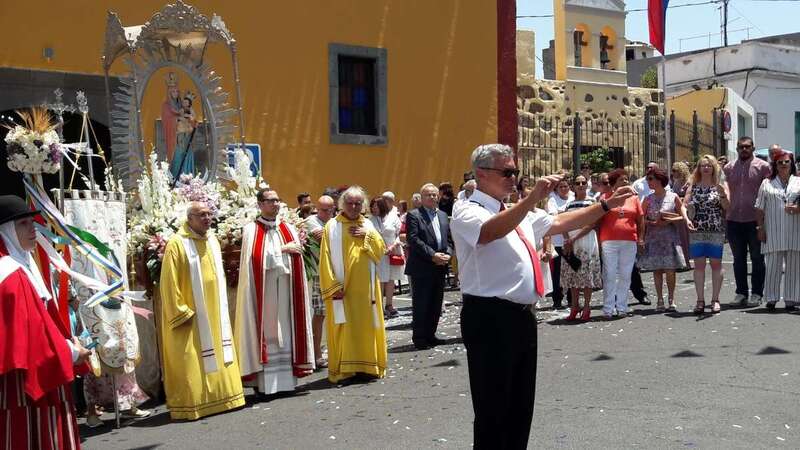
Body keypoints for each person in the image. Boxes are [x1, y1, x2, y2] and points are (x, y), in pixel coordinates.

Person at [452, 144, 635, 448]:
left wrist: (605, 206)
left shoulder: (515, 211)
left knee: (520, 405)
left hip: (522, 315)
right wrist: (531, 199)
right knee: (493, 407)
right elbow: (488, 233)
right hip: (489, 316)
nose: (513, 178)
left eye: (516, 172)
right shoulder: (468, 209)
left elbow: (562, 222)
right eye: (507, 172)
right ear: (482, 174)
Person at [0, 195, 90, 449]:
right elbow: (33, 336)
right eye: (24, 224)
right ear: (6, 231)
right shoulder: (11, 275)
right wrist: (72, 352)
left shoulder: (18, 264)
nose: (33, 230)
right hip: (31, 380)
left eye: (32, 222)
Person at [159, 202, 244, 420]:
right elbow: (168, 283)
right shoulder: (177, 244)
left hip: (215, 312)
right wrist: (180, 310)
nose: (207, 218)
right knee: (190, 358)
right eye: (202, 215)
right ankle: (192, 404)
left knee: (219, 348)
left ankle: (226, 397)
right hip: (191, 313)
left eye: (209, 214)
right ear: (190, 218)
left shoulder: (213, 240)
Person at [235, 189, 315, 396]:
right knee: (268, 332)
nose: (276, 204)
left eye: (278, 200)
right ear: (260, 204)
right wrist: (283, 250)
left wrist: (288, 250)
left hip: (287, 290)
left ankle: (288, 382)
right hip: (265, 291)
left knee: (288, 330)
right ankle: (265, 386)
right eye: (271, 201)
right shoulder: (251, 230)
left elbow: (298, 252)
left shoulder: (288, 227)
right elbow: (254, 259)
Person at [318, 186, 388, 384]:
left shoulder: (368, 224)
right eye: (350, 203)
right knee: (344, 328)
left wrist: (367, 235)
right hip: (343, 290)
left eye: (358, 203)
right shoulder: (331, 227)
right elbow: (325, 259)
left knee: (367, 327)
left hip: (366, 291)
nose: (354, 207)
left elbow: (380, 250)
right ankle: (346, 370)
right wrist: (332, 286)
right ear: (342, 204)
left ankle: (367, 367)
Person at [723, 136, 771, 306]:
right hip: (734, 220)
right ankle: (741, 292)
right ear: (737, 148)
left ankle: (757, 293)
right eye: (741, 147)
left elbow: (769, 191)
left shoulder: (763, 167)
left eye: (747, 147)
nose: (744, 149)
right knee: (738, 259)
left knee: (757, 258)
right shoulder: (728, 168)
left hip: (755, 220)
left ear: (753, 148)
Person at [405, 183, 451, 349]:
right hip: (422, 266)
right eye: (428, 195)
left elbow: (449, 239)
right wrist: (433, 255)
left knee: (436, 303)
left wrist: (448, 254)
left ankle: (431, 335)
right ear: (422, 198)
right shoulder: (414, 215)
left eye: (434, 195)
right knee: (421, 303)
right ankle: (419, 338)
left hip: (440, 265)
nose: (432, 197)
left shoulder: (444, 216)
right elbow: (413, 239)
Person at [637, 168, 689, 311]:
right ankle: (660, 299)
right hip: (653, 237)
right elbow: (640, 218)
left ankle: (671, 299)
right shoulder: (647, 199)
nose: (648, 182)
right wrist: (650, 223)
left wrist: (668, 221)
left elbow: (682, 216)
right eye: (648, 179)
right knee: (657, 270)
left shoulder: (673, 197)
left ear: (659, 180)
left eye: (651, 179)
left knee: (670, 270)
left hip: (669, 237)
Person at [755, 151, 800, 311]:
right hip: (773, 230)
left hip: (795, 231)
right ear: (775, 165)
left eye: (786, 162)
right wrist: (760, 228)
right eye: (779, 162)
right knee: (773, 266)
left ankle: (791, 299)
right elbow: (759, 208)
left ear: (791, 163)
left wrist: (797, 208)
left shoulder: (799, 181)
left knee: (794, 267)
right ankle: (771, 298)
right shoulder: (767, 183)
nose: (783, 165)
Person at [685, 155, 729, 314]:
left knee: (716, 264)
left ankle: (715, 299)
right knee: (699, 265)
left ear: (714, 168)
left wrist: (723, 194)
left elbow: (726, 207)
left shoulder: (720, 185)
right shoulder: (693, 186)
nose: (706, 168)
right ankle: (700, 300)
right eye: (703, 165)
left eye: (709, 165)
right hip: (697, 230)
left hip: (715, 229)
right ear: (699, 168)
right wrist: (686, 219)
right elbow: (684, 205)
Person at [598, 169, 645, 318]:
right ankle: (608, 308)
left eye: (626, 179)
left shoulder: (634, 198)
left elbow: (640, 220)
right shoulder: (604, 198)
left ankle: (622, 307)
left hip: (629, 240)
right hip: (609, 241)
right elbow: (598, 220)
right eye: (621, 180)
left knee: (625, 275)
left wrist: (641, 238)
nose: (625, 182)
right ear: (613, 184)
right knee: (609, 274)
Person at [560, 175, 601, 321]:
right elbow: (563, 222)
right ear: (574, 186)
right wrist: (566, 239)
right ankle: (575, 306)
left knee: (586, 276)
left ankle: (587, 307)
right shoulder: (570, 204)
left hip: (586, 241)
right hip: (571, 243)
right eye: (578, 183)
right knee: (573, 276)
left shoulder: (592, 202)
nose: (581, 185)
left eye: (584, 182)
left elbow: (592, 224)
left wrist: (573, 238)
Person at [305, 195, 336, 368]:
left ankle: (333, 350)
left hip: (336, 271)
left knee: (336, 312)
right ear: (317, 208)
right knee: (320, 313)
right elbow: (324, 239)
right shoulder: (311, 221)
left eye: (331, 209)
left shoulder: (334, 222)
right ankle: (316, 354)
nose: (328, 213)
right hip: (319, 274)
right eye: (324, 210)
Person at [369, 197, 403, 318]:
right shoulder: (370, 220)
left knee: (391, 278)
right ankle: (380, 306)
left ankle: (389, 304)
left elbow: (399, 234)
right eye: (372, 206)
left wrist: (394, 245)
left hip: (393, 250)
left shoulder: (393, 217)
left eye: (376, 206)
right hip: (379, 253)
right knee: (380, 279)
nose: (374, 208)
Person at [546, 178, 574, 309]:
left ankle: (571, 298)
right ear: (556, 189)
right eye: (561, 187)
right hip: (558, 242)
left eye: (566, 186)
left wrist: (563, 213)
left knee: (572, 270)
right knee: (557, 273)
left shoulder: (573, 197)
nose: (564, 189)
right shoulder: (552, 200)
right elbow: (554, 217)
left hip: (572, 240)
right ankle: (557, 299)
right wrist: (570, 214)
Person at [169, 92, 198, 179]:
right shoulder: (181, 111)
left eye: (186, 102)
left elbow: (193, 120)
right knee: (178, 154)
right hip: (180, 135)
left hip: (187, 136)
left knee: (186, 154)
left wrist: (188, 117)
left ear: (189, 103)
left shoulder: (191, 111)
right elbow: (177, 117)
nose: (184, 103)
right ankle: (175, 174)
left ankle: (186, 174)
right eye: (184, 102)